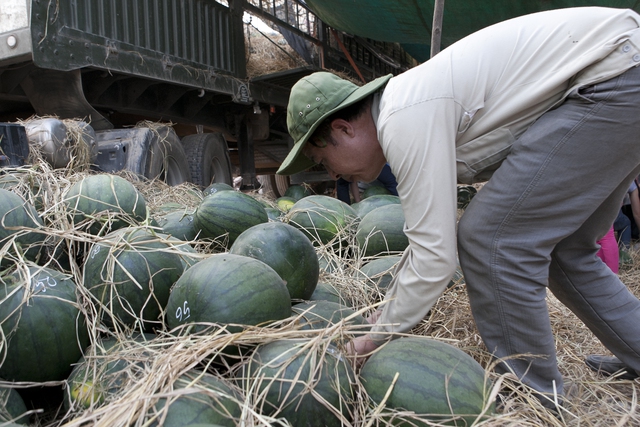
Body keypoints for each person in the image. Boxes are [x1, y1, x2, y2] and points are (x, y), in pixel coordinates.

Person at [276, 7, 640, 410]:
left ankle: (536, 397)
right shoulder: (407, 107)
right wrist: (389, 309)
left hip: (612, 77)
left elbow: (435, 258)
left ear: (342, 130)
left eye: (325, 162)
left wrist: (372, 338)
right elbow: (425, 240)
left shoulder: (401, 118)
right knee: (569, 248)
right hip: (622, 75)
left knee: (491, 239)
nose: (336, 176)